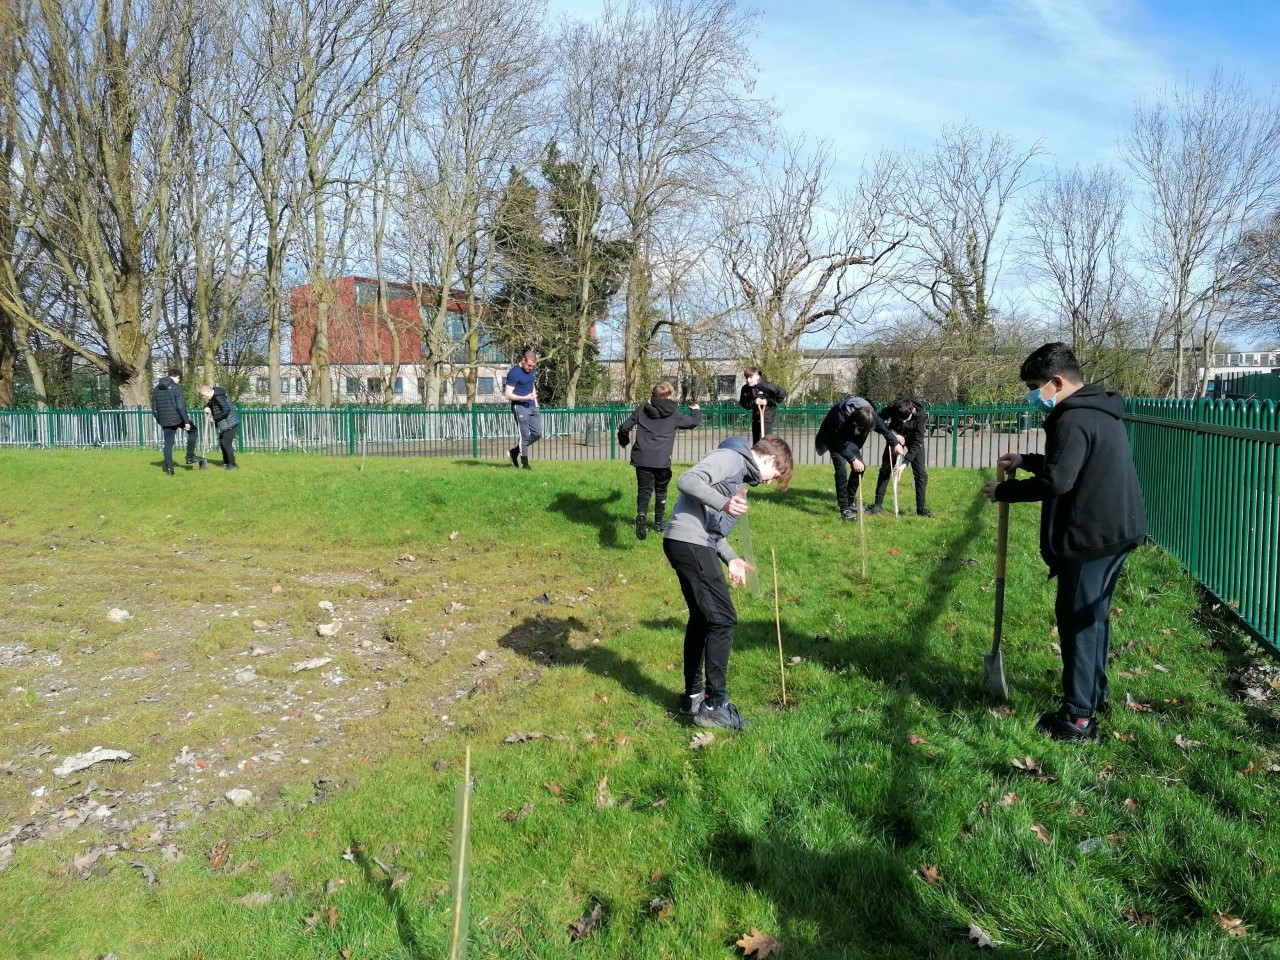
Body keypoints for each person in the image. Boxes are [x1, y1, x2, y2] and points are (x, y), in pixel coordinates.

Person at [982, 342, 1147, 742]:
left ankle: (1078, 719)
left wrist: (1004, 493)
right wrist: (1026, 460)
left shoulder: (1072, 418)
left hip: (1090, 538)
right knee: (1093, 619)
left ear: (1056, 382)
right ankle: (1093, 696)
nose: (1033, 395)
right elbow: (1070, 463)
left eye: (1036, 386)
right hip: (1116, 531)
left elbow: (1058, 481)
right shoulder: (1100, 411)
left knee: (1078, 624)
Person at [663, 435, 793, 731]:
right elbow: (687, 479)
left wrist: (731, 558)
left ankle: (693, 697)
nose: (772, 481)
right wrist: (723, 502)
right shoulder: (732, 458)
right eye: (777, 474)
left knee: (703, 619)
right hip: (689, 542)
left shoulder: (738, 478)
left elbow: (713, 533)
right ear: (771, 460)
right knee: (723, 620)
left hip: (691, 543)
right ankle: (714, 704)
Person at [617, 381, 702, 541]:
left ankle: (641, 514)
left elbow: (624, 427)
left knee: (644, 489)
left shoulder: (642, 409)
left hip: (641, 458)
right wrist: (696, 410)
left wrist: (624, 441)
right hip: (661, 460)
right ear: (669, 395)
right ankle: (658, 523)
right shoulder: (674, 413)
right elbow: (692, 422)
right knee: (661, 490)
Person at [814, 396, 903, 521]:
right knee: (841, 471)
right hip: (834, 438)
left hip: (849, 439)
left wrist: (895, 443)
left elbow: (883, 428)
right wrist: (852, 459)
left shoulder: (869, 413)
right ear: (856, 424)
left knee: (860, 468)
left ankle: (850, 501)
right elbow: (839, 443)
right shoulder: (839, 416)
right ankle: (844, 509)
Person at [867, 398, 933, 517]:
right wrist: (893, 433)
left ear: (912, 411)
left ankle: (921, 509)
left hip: (914, 440)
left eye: (905, 419)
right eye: (900, 419)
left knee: (920, 474)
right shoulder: (893, 407)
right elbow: (875, 421)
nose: (903, 422)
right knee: (886, 469)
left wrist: (904, 463)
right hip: (895, 438)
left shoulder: (921, 415)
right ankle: (877, 505)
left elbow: (917, 442)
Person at [151, 367, 204, 475]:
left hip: (164, 419)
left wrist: (160, 421)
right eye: (179, 379)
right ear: (177, 377)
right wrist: (186, 422)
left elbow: (154, 409)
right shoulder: (176, 388)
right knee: (193, 431)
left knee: (168, 443)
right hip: (177, 418)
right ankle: (190, 456)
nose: (179, 381)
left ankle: (170, 469)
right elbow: (180, 406)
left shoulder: (156, 389)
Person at [502, 348, 541, 470]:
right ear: (523, 360)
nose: (530, 368)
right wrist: (524, 397)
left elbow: (531, 384)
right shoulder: (514, 373)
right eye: (529, 365)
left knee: (537, 433)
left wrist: (535, 400)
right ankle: (525, 464)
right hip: (520, 406)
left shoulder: (532, 369)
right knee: (524, 436)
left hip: (532, 405)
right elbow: (508, 394)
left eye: (533, 366)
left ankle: (514, 451)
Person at [738, 367, 787, 444]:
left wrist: (767, 401)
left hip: (767, 417)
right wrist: (754, 402)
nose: (748, 380)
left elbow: (782, 394)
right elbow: (743, 403)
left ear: (757, 376)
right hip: (756, 418)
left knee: (764, 442)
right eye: (746, 378)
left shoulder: (767, 386)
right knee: (757, 442)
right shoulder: (745, 389)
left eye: (751, 377)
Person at [198, 384, 240, 470]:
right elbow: (210, 404)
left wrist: (214, 418)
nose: (203, 397)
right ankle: (226, 462)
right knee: (222, 443)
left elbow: (226, 410)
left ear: (208, 391)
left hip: (230, 424)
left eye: (204, 395)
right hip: (225, 424)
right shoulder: (214, 398)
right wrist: (206, 407)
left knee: (226, 444)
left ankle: (233, 465)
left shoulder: (218, 397)